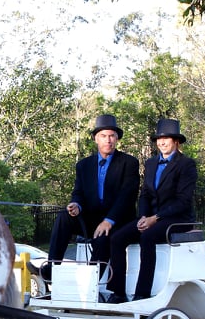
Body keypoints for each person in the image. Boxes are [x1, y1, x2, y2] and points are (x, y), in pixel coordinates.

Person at [107, 118, 197, 303]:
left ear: (176, 141)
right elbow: (145, 194)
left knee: (147, 236)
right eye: (159, 139)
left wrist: (155, 218)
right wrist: (143, 217)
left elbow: (183, 201)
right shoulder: (151, 163)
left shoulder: (186, 164)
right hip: (151, 217)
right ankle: (118, 292)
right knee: (117, 238)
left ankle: (143, 293)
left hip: (176, 218)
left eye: (167, 139)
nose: (162, 142)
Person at [43, 114, 139, 278]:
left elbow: (127, 196)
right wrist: (76, 205)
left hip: (117, 220)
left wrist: (109, 221)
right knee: (64, 217)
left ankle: (90, 282)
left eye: (111, 136)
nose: (108, 140)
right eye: (103, 136)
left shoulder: (129, 163)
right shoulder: (83, 165)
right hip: (91, 218)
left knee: (103, 237)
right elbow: (78, 193)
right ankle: (52, 267)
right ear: (96, 138)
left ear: (116, 139)